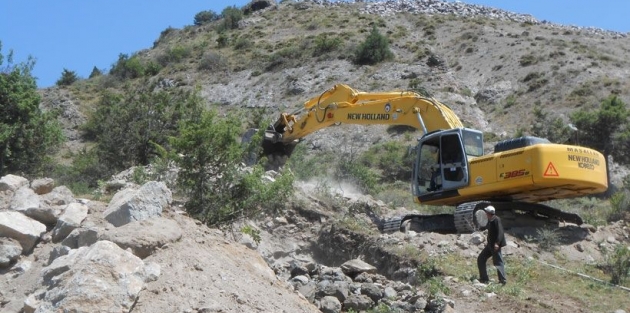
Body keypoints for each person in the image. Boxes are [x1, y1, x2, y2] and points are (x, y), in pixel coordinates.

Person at [477, 205, 507, 285]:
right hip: (490, 245)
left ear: (488, 213)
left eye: (486, 212)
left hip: (495, 245)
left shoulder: (496, 219)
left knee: (498, 262)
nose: (485, 213)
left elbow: (500, 232)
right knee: (481, 258)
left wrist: (497, 243)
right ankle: (484, 278)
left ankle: (502, 281)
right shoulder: (490, 220)